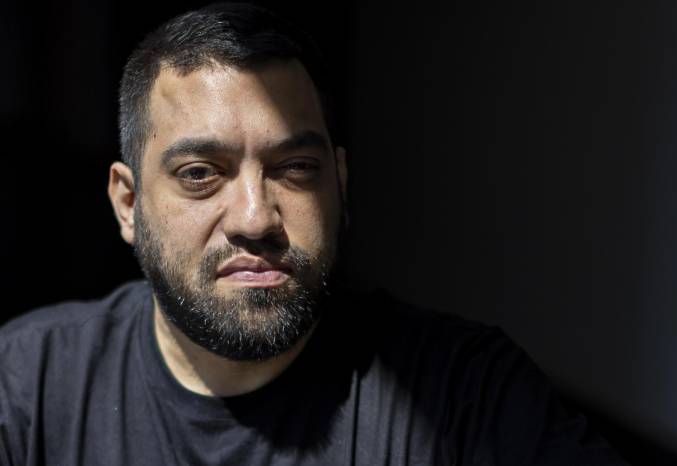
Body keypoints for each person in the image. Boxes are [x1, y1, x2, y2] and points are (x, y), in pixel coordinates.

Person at [0, 3, 627, 465]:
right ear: (129, 203)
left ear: (340, 184)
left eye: (295, 168)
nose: (255, 218)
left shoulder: (466, 392)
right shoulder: (28, 384)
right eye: (200, 174)